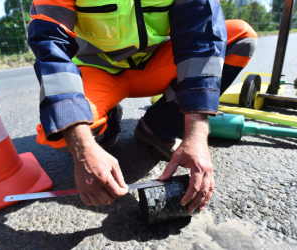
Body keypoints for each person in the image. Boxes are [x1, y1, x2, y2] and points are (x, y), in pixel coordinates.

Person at [27, 0, 257, 213]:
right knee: (62, 134)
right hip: (95, 68)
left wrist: (196, 135)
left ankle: (159, 125)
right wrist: (83, 149)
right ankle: (107, 121)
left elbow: (202, 37)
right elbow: (51, 50)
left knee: (240, 36)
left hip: (155, 64)